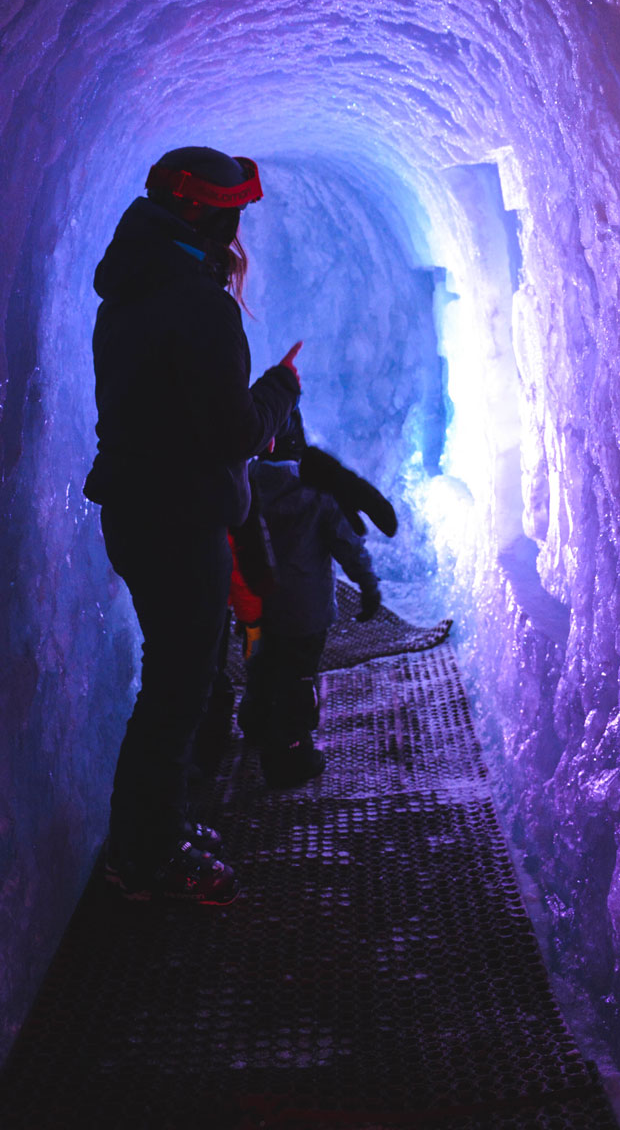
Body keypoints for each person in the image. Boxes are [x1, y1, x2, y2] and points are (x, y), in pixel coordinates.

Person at [84, 146, 301, 904]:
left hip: (139, 513)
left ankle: (154, 833)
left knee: (177, 684)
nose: (237, 228)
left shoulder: (132, 286)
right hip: (180, 523)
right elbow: (234, 430)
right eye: (231, 212)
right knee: (175, 696)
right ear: (199, 212)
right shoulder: (199, 304)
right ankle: (145, 859)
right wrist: (280, 390)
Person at [233, 406, 396, 789]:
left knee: (262, 664)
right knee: (298, 679)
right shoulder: (320, 489)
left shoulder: (248, 480)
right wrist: (368, 586)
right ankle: (290, 753)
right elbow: (347, 544)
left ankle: (255, 723)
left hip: (259, 605)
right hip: (306, 612)